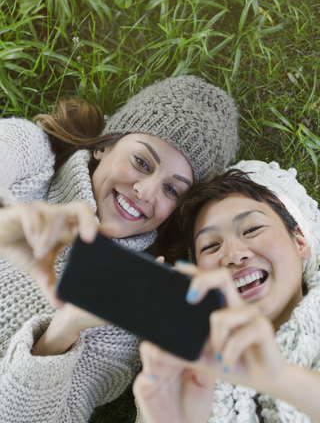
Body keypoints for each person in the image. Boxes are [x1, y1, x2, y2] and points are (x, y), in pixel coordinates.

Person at [0, 75, 238, 423]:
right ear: (105, 146)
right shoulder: (31, 157)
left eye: (172, 190)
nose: (145, 190)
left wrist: (64, 330)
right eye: (142, 162)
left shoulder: (124, 327)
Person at [134, 160, 320, 423]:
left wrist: (279, 379)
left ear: (300, 240)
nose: (233, 255)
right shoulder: (186, 373)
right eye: (210, 246)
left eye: (252, 229)